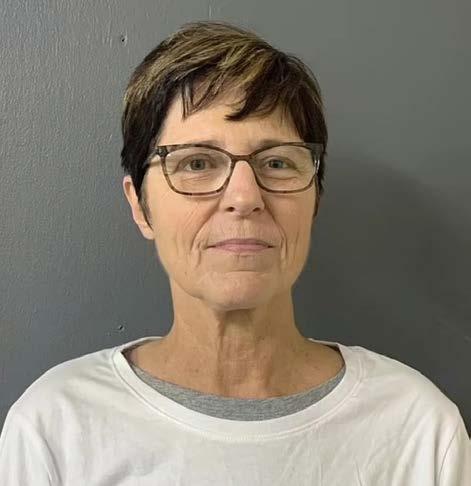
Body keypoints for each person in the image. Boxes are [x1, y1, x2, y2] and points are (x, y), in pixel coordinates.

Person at [0, 20, 469, 485]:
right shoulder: (55, 431)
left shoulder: (417, 431)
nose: (244, 197)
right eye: (197, 163)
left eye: (277, 162)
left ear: (314, 201)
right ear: (140, 207)